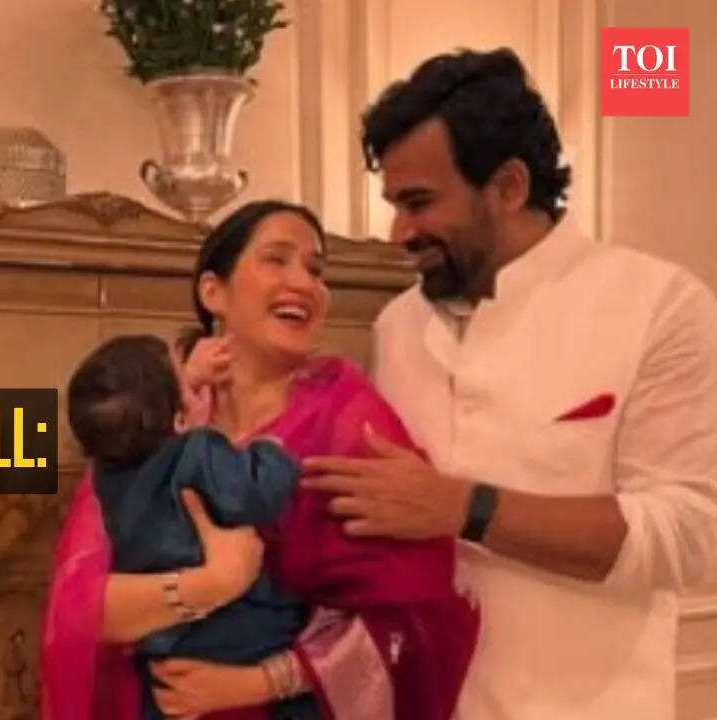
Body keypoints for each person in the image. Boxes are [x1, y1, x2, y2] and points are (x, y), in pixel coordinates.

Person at [301, 48, 717, 719]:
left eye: (419, 202)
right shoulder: (397, 325)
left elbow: (689, 536)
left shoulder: (660, 305)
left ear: (509, 186)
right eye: (394, 204)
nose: (399, 232)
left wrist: (468, 508)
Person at [40, 200, 479, 720]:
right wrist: (213, 583)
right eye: (277, 259)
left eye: (316, 270)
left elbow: (409, 609)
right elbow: (80, 607)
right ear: (213, 292)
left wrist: (258, 682)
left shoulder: (346, 418)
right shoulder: (155, 412)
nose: (304, 282)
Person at [65, 334, 312, 720]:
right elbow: (254, 492)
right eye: (184, 374)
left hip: (160, 647)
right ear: (179, 416)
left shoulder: (106, 481)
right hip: (237, 631)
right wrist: (271, 450)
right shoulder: (198, 451)